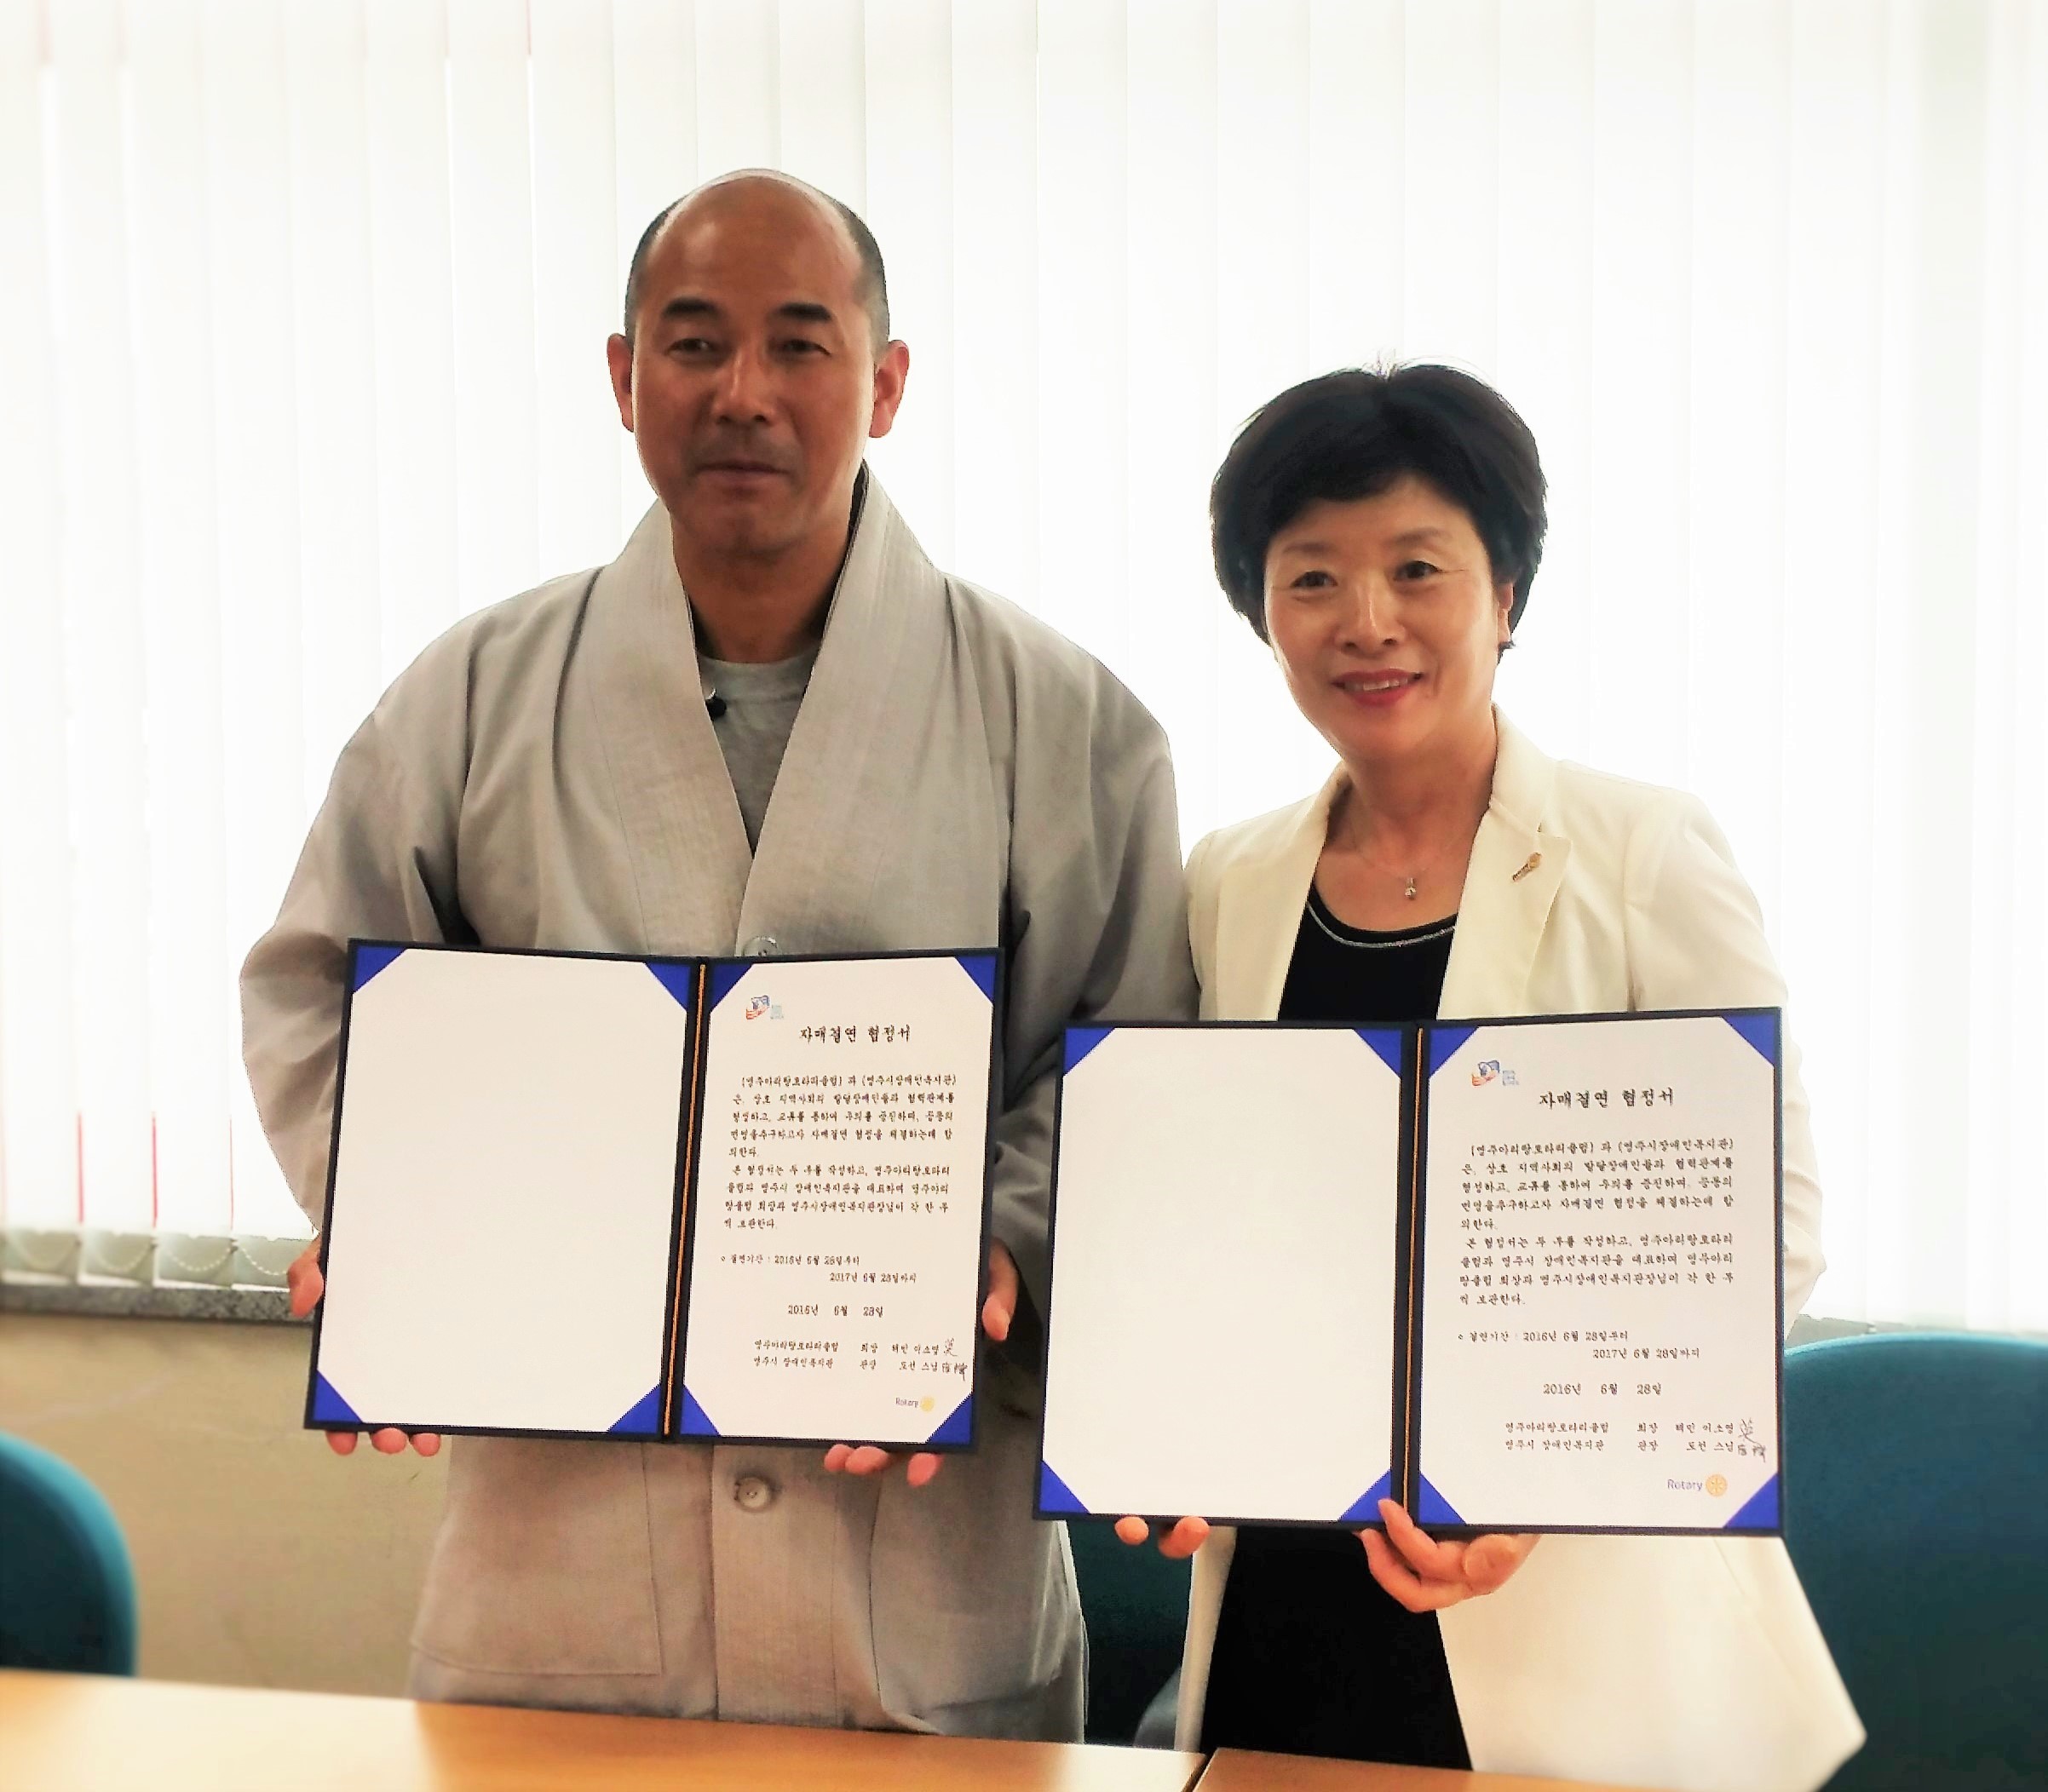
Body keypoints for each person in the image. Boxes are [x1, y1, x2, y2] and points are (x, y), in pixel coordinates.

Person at [241, 170, 1195, 1737]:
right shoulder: (471, 701)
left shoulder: (1063, 720)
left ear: (886, 384)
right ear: (625, 378)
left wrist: (1001, 1245)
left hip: (918, 1594)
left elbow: (1128, 1059)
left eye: (800, 344)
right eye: (694, 343)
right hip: (559, 1582)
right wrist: (399, 1226)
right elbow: (318, 1001)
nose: (743, 391)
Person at [1125, 365, 1863, 1789]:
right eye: (1312, 578)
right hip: (1293, 1579)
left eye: (1419, 569)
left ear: (1506, 594)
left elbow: (1773, 1220)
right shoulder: (1227, 879)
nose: (1368, 620)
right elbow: (1207, 1205)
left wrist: (1543, 1478)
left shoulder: (1642, 852)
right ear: (1261, 613)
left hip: (1567, 1598)